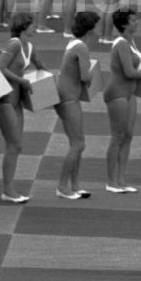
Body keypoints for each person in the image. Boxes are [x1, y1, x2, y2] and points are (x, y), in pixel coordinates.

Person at [0, 13, 47, 204]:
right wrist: (21, 80)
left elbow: (40, 65)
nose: (35, 27)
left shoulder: (29, 47)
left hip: (17, 99)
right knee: (15, 144)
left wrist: (46, 77)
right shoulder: (14, 44)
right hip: (5, 98)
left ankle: (9, 189)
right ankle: (8, 190)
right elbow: (0, 68)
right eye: (32, 24)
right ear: (24, 26)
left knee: (14, 146)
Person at [53, 11, 99, 199]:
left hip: (66, 97)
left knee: (76, 143)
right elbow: (85, 76)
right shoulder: (81, 47)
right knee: (78, 144)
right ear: (90, 29)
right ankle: (63, 187)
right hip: (68, 98)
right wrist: (93, 73)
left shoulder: (73, 43)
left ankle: (75, 185)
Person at [104, 8, 141, 193]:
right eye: (133, 20)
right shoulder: (121, 43)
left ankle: (121, 179)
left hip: (129, 94)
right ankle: (111, 181)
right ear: (124, 24)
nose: (137, 22)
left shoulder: (131, 41)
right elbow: (129, 72)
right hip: (117, 93)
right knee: (117, 136)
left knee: (128, 136)